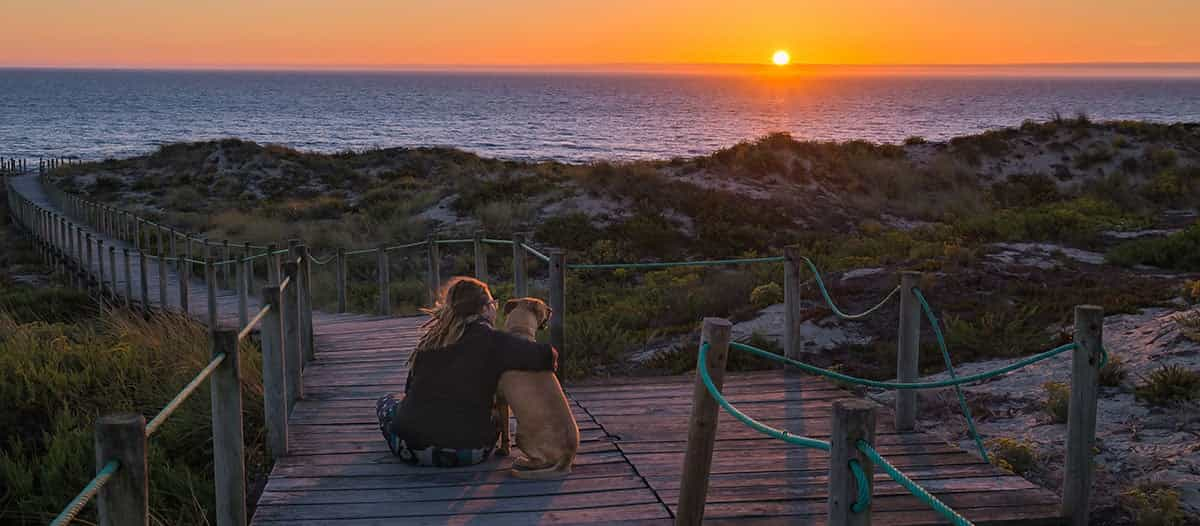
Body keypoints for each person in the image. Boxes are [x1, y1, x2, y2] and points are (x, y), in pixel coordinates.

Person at [375, 276, 557, 467]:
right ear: (485, 308)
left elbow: (409, 389)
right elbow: (547, 356)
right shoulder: (495, 341)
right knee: (497, 417)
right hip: (469, 452)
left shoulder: (430, 341)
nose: (495, 307)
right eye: (493, 303)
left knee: (387, 402)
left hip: (409, 448)